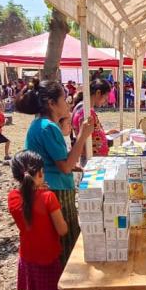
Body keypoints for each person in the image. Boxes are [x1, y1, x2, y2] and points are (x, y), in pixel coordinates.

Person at [19, 79, 94, 267]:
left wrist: (72, 164)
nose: (68, 103)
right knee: (67, 244)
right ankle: (66, 282)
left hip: (49, 188)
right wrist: (83, 135)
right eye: (64, 99)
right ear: (52, 103)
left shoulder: (40, 125)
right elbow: (65, 167)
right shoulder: (48, 127)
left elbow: (53, 160)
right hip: (57, 191)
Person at [8, 150, 71, 290]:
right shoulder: (48, 197)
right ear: (41, 173)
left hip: (27, 255)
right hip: (47, 257)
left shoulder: (12, 197)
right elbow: (62, 230)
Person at [71, 79, 117, 157]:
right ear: (98, 93)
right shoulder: (86, 112)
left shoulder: (84, 108)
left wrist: (105, 133)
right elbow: (82, 137)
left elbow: (89, 132)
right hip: (92, 159)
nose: (106, 101)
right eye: (105, 97)